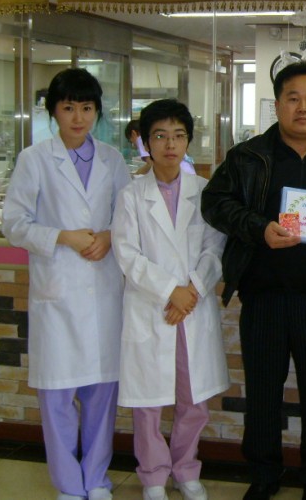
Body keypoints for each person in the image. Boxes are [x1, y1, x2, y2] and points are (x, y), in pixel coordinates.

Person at [201, 61, 306, 500]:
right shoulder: (247, 157)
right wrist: (258, 228)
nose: (302, 107)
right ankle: (264, 474)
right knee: (263, 391)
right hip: (264, 295)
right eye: (293, 98)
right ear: (277, 105)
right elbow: (214, 203)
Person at [2, 68, 131, 500]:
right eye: (69, 108)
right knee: (57, 397)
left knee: (101, 395)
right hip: (57, 290)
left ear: (98, 112)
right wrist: (63, 236)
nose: (79, 117)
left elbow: (128, 217)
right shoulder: (34, 159)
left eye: (87, 108)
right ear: (53, 111)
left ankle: (96, 478)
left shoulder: (112, 160)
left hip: (104, 290)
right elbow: (14, 224)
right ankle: (69, 485)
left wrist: (109, 236)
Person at [112, 99, 229, 500]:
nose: (170, 144)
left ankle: (186, 469)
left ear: (188, 141)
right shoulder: (131, 195)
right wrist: (170, 291)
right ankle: (153, 477)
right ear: (145, 143)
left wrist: (191, 290)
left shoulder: (204, 191)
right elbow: (127, 254)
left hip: (192, 308)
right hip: (154, 307)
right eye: (160, 136)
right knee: (148, 403)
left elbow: (215, 248)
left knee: (193, 398)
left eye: (178, 136)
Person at [127, 117, 197, 176]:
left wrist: (136, 174)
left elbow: (151, 164)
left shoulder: (141, 139)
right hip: (188, 172)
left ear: (133, 134)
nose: (134, 145)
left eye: (131, 141)